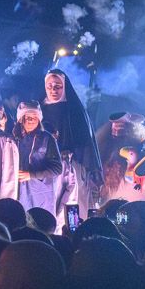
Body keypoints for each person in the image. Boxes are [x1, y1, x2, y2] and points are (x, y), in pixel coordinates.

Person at [41, 68, 102, 224]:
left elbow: (85, 142)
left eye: (58, 86)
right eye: (49, 86)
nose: (53, 90)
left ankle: (71, 235)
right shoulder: (39, 110)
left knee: (72, 207)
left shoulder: (74, 110)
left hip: (73, 167)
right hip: (46, 167)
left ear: (65, 87)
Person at [96, 111, 145, 203]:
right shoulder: (104, 153)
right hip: (111, 211)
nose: (118, 135)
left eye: (122, 132)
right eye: (115, 132)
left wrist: (138, 165)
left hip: (140, 211)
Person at [12, 97, 64, 215]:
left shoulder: (47, 139)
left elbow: (57, 168)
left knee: (39, 224)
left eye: (35, 118)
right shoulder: (14, 139)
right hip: (17, 191)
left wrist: (32, 175)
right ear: (21, 119)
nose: (31, 120)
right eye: (28, 117)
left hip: (40, 193)